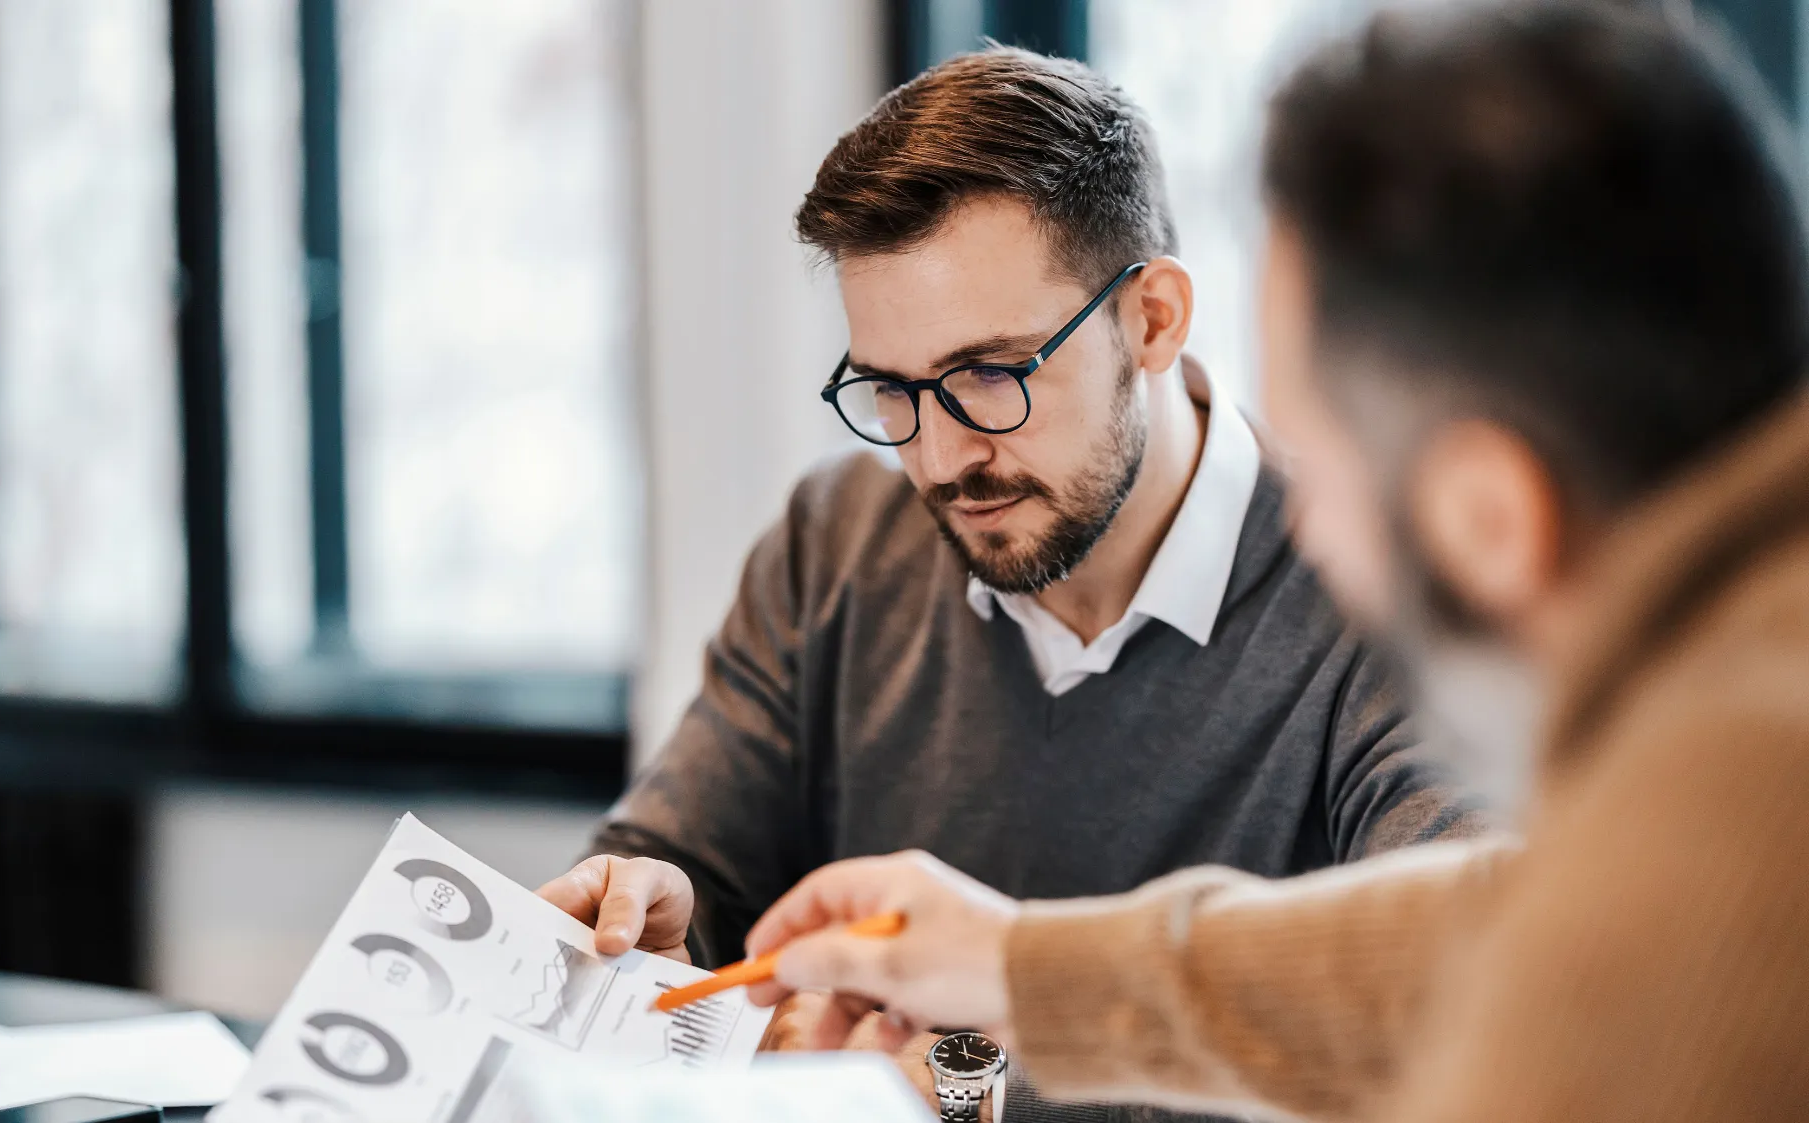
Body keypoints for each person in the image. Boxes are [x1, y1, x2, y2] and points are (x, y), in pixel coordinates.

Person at [742, 3, 1809, 1122]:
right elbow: (1490, 929)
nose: (1307, 538)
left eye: (1330, 479)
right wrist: (1020, 969)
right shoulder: (1744, 665)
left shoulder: (1735, 803)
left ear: (1492, 515)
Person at [534, 46, 1488, 1122]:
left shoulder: (1380, 592)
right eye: (891, 391)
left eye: (991, 374)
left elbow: (1469, 1006)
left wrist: (975, 1083)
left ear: (1155, 319)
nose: (939, 460)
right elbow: (685, 866)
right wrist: (648, 922)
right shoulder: (837, 540)